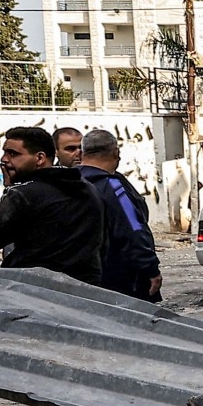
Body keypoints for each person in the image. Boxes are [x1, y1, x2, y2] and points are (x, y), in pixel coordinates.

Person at [0, 125, 105, 406]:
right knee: (88, 367)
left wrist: (9, 191)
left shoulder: (23, 195)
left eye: (13, 154)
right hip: (86, 295)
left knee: (42, 370)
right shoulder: (86, 190)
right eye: (4, 153)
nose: (5, 160)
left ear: (40, 158)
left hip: (38, 297)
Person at [76, 129, 162, 302]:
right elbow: (132, 228)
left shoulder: (68, 183)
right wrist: (150, 268)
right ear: (116, 152)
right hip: (120, 279)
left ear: (80, 153)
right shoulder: (113, 187)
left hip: (79, 278)